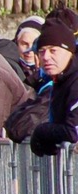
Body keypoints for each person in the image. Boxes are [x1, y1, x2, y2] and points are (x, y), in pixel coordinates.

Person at [28, 19, 78, 157]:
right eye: (42, 52)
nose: (46, 57)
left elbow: (73, 131)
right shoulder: (60, 78)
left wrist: (42, 132)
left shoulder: (74, 81)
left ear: (69, 51)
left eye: (53, 50)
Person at [14, 16, 45, 87]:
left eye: (35, 44)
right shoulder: (9, 67)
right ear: (17, 43)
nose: (29, 50)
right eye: (24, 44)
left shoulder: (52, 71)